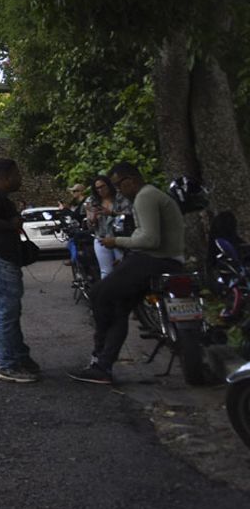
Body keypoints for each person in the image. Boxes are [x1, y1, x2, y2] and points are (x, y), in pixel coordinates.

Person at [70, 162, 185, 384]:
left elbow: (150, 239)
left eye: (119, 185)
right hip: (167, 260)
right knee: (119, 306)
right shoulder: (150, 195)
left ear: (130, 180)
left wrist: (116, 241)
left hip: (154, 260)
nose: (119, 191)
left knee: (99, 294)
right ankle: (103, 363)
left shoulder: (145, 196)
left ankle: (100, 356)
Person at [0, 158, 39, 383]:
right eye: (17, 174)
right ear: (6, 177)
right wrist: (10, 226)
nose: (20, 179)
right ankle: (9, 365)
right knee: (6, 314)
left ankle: (20, 357)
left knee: (10, 313)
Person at [84, 175, 133, 279]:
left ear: (109, 185)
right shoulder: (92, 200)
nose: (100, 190)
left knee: (123, 269)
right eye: (97, 188)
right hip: (101, 238)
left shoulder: (120, 198)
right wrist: (92, 218)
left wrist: (111, 213)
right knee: (106, 271)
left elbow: (130, 215)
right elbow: (90, 225)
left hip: (119, 237)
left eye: (103, 186)